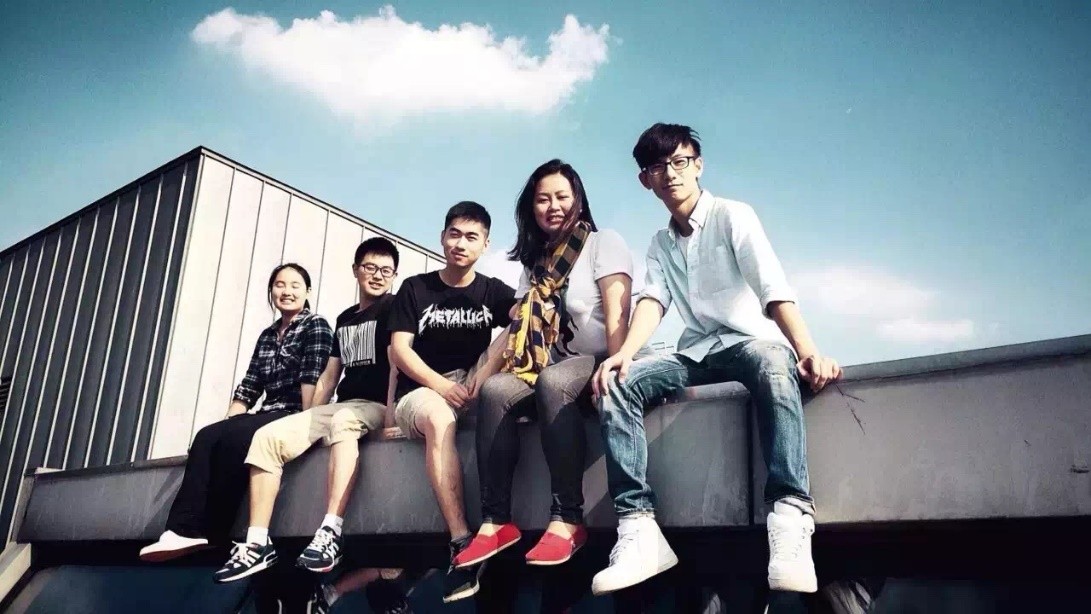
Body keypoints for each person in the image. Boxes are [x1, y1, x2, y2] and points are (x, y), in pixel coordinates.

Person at [589, 123, 843, 596]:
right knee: (618, 382)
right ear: (646, 180)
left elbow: (772, 287)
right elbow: (653, 301)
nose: (670, 173)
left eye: (680, 161)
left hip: (751, 342)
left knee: (773, 364)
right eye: (657, 167)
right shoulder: (660, 243)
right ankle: (638, 527)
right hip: (697, 351)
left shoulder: (733, 216)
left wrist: (807, 351)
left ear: (698, 165)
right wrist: (623, 354)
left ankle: (790, 515)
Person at [453, 160, 637, 572]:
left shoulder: (603, 243)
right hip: (548, 368)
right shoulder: (533, 263)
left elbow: (618, 313)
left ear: (578, 201)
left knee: (554, 380)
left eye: (561, 197)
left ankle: (568, 518)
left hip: (597, 360)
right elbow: (518, 326)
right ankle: (496, 522)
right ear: (531, 207)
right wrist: (478, 379)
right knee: (497, 391)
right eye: (542, 199)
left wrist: (616, 374)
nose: (553, 206)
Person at [211, 238, 402, 583]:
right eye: (370, 267)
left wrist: (390, 418)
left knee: (343, 421)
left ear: (394, 275)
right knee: (267, 438)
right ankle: (257, 543)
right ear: (356, 270)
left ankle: (330, 532)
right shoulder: (345, 318)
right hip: (345, 403)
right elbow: (329, 376)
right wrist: (308, 420)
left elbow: (395, 367)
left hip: (376, 405)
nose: (377, 275)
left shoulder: (395, 308)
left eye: (386, 271)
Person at [139, 264, 333, 564]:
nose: (287, 291)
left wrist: (307, 426)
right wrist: (225, 424)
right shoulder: (268, 335)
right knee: (207, 436)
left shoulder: (316, 326)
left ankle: (212, 531)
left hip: (294, 412)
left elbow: (312, 379)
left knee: (238, 439)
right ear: (271, 291)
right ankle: (179, 531)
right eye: (280, 285)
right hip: (267, 410)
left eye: (295, 285)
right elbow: (250, 385)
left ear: (307, 291)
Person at [387, 201, 516, 603]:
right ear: (443, 237)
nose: (461, 243)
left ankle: (502, 525)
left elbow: (524, 315)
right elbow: (400, 351)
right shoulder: (416, 288)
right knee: (440, 418)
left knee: (521, 320)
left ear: (485, 245)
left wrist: (482, 376)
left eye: (471, 237)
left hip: (471, 385)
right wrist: (441, 387)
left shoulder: (491, 290)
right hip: (423, 392)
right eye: (455, 234)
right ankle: (461, 541)